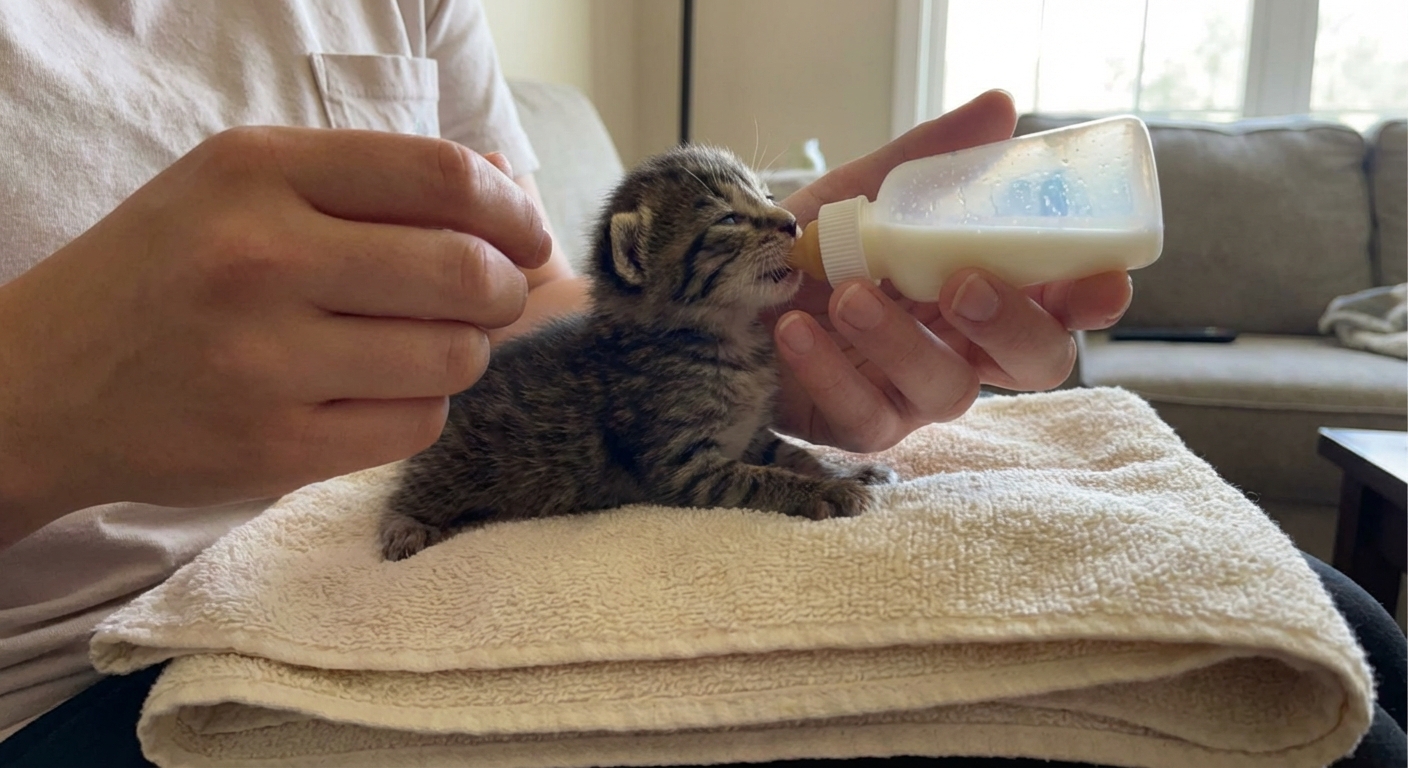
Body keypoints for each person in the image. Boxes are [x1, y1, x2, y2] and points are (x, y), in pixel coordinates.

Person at [0, 2, 1398, 767]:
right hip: (87, 664)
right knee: (1302, 720)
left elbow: (540, 306)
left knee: (1332, 624)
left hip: (371, 529)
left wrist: (782, 334)